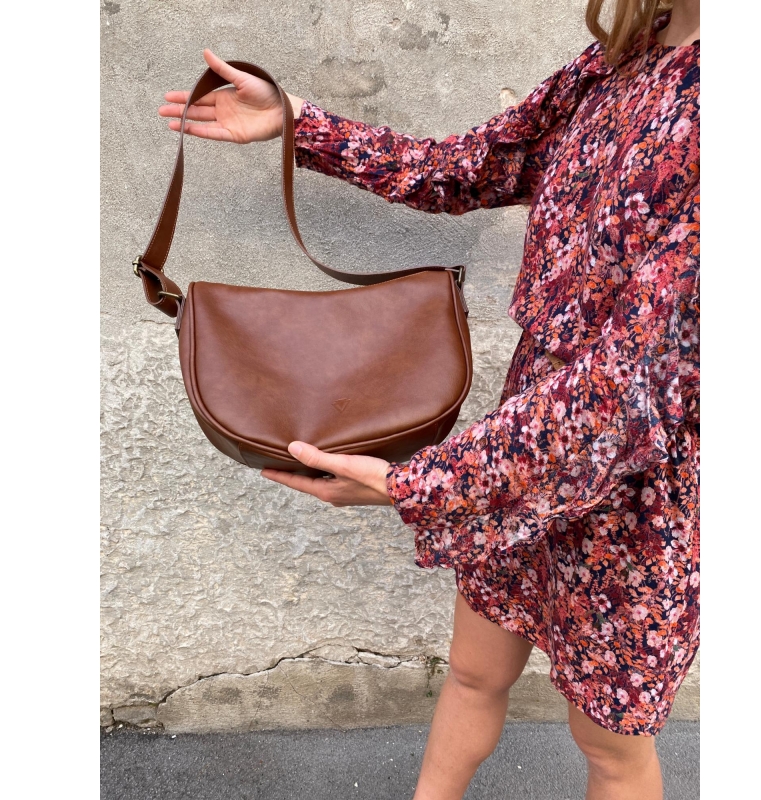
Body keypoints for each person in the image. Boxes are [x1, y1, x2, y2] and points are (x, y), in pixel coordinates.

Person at [159, 1, 699, 798]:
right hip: (521, 446)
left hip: (643, 492)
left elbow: (630, 390)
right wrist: (298, 121)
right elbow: (472, 166)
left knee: (609, 743)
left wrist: (420, 486)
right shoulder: (624, 55)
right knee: (474, 672)